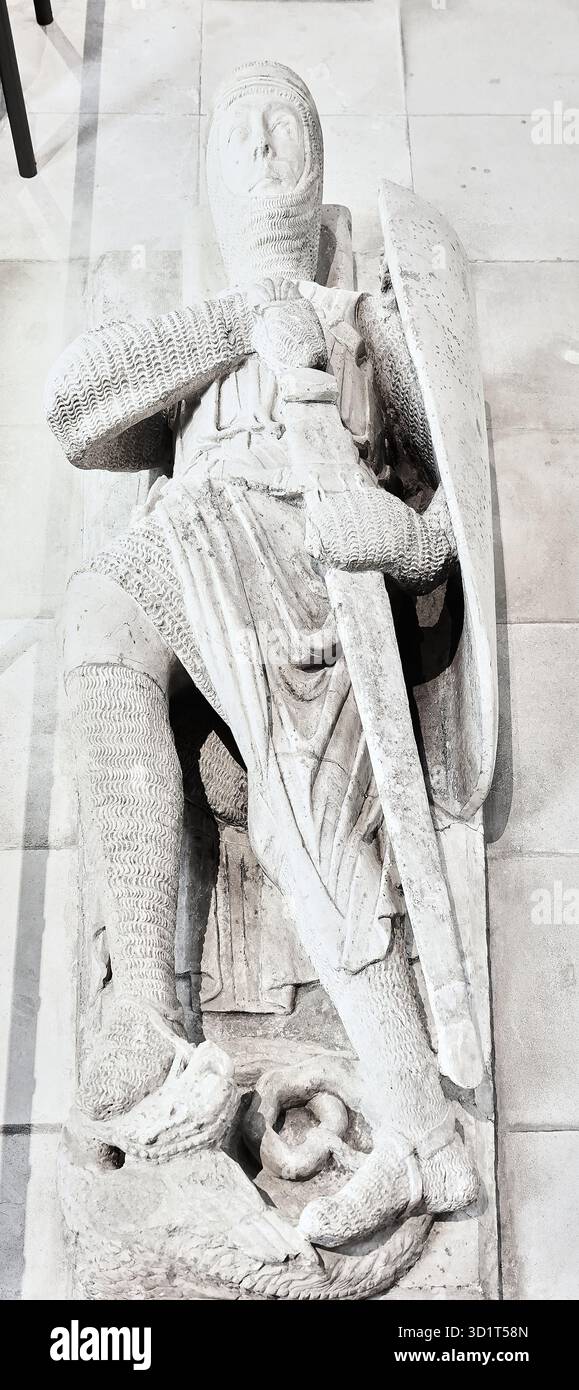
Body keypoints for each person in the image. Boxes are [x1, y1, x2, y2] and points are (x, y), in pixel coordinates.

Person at [45, 61, 478, 1246]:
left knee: (312, 838)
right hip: (197, 544)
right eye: (240, 130)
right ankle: (143, 1011)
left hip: (307, 570)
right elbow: (74, 409)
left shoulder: (367, 319)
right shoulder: (196, 331)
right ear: (213, 179)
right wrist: (242, 316)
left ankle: (425, 1144)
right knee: (102, 610)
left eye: (286, 123)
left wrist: (398, 533)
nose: (263, 144)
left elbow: (459, 514)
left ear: (320, 164)